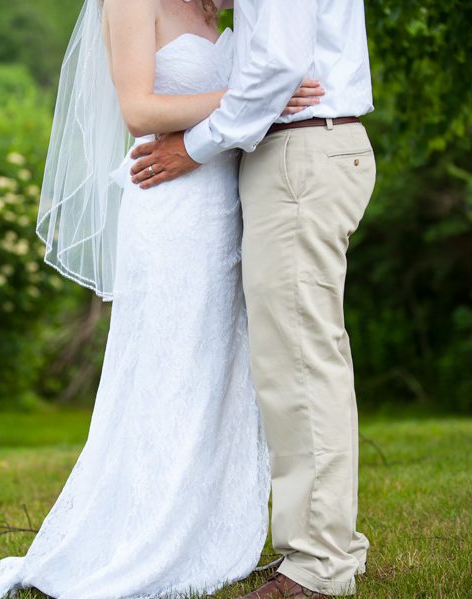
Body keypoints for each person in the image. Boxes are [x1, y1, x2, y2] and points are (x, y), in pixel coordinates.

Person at [0, 1, 326, 598]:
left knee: (218, 371)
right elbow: (138, 110)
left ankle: (208, 528)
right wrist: (255, 100)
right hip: (170, 205)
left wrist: (255, 101)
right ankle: (146, 533)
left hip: (229, 202)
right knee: (167, 372)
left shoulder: (212, 7)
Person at [128, 1, 376, 597]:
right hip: (299, 150)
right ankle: (331, 546)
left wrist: (195, 145)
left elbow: (278, 69)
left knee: (299, 363)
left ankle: (319, 565)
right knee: (304, 356)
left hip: (300, 152)